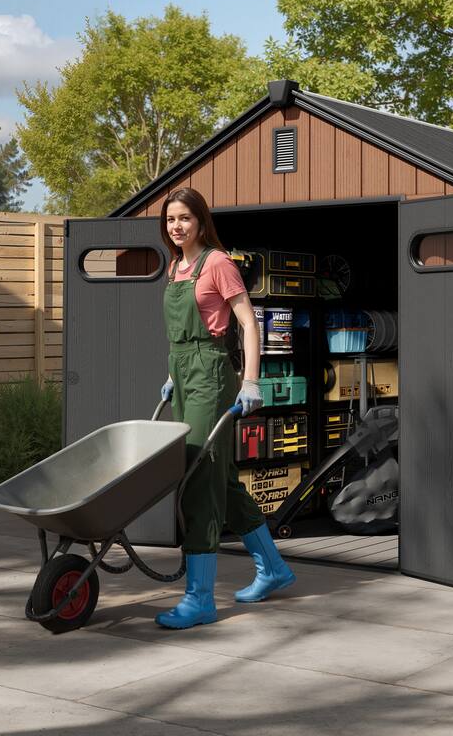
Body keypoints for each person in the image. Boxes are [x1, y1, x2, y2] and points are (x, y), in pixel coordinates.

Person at [155, 187, 295, 629]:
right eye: (171, 219)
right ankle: (272, 568)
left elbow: (248, 323)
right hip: (185, 374)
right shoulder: (176, 267)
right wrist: (173, 375)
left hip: (213, 374)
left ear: (201, 220)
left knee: (197, 476)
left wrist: (251, 381)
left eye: (185, 218)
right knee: (220, 476)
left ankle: (199, 599)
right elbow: (180, 335)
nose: (177, 227)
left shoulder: (216, 263)